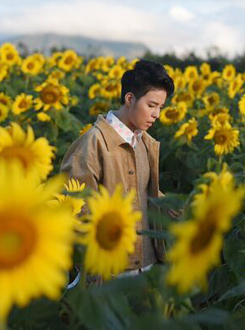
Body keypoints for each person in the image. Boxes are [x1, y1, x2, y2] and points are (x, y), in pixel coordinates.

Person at [60, 59, 181, 279]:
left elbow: (139, 192)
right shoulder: (93, 144)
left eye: (161, 107)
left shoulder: (144, 142)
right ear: (129, 99)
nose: (157, 115)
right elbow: (73, 208)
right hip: (108, 271)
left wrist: (167, 204)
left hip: (146, 264)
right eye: (151, 105)